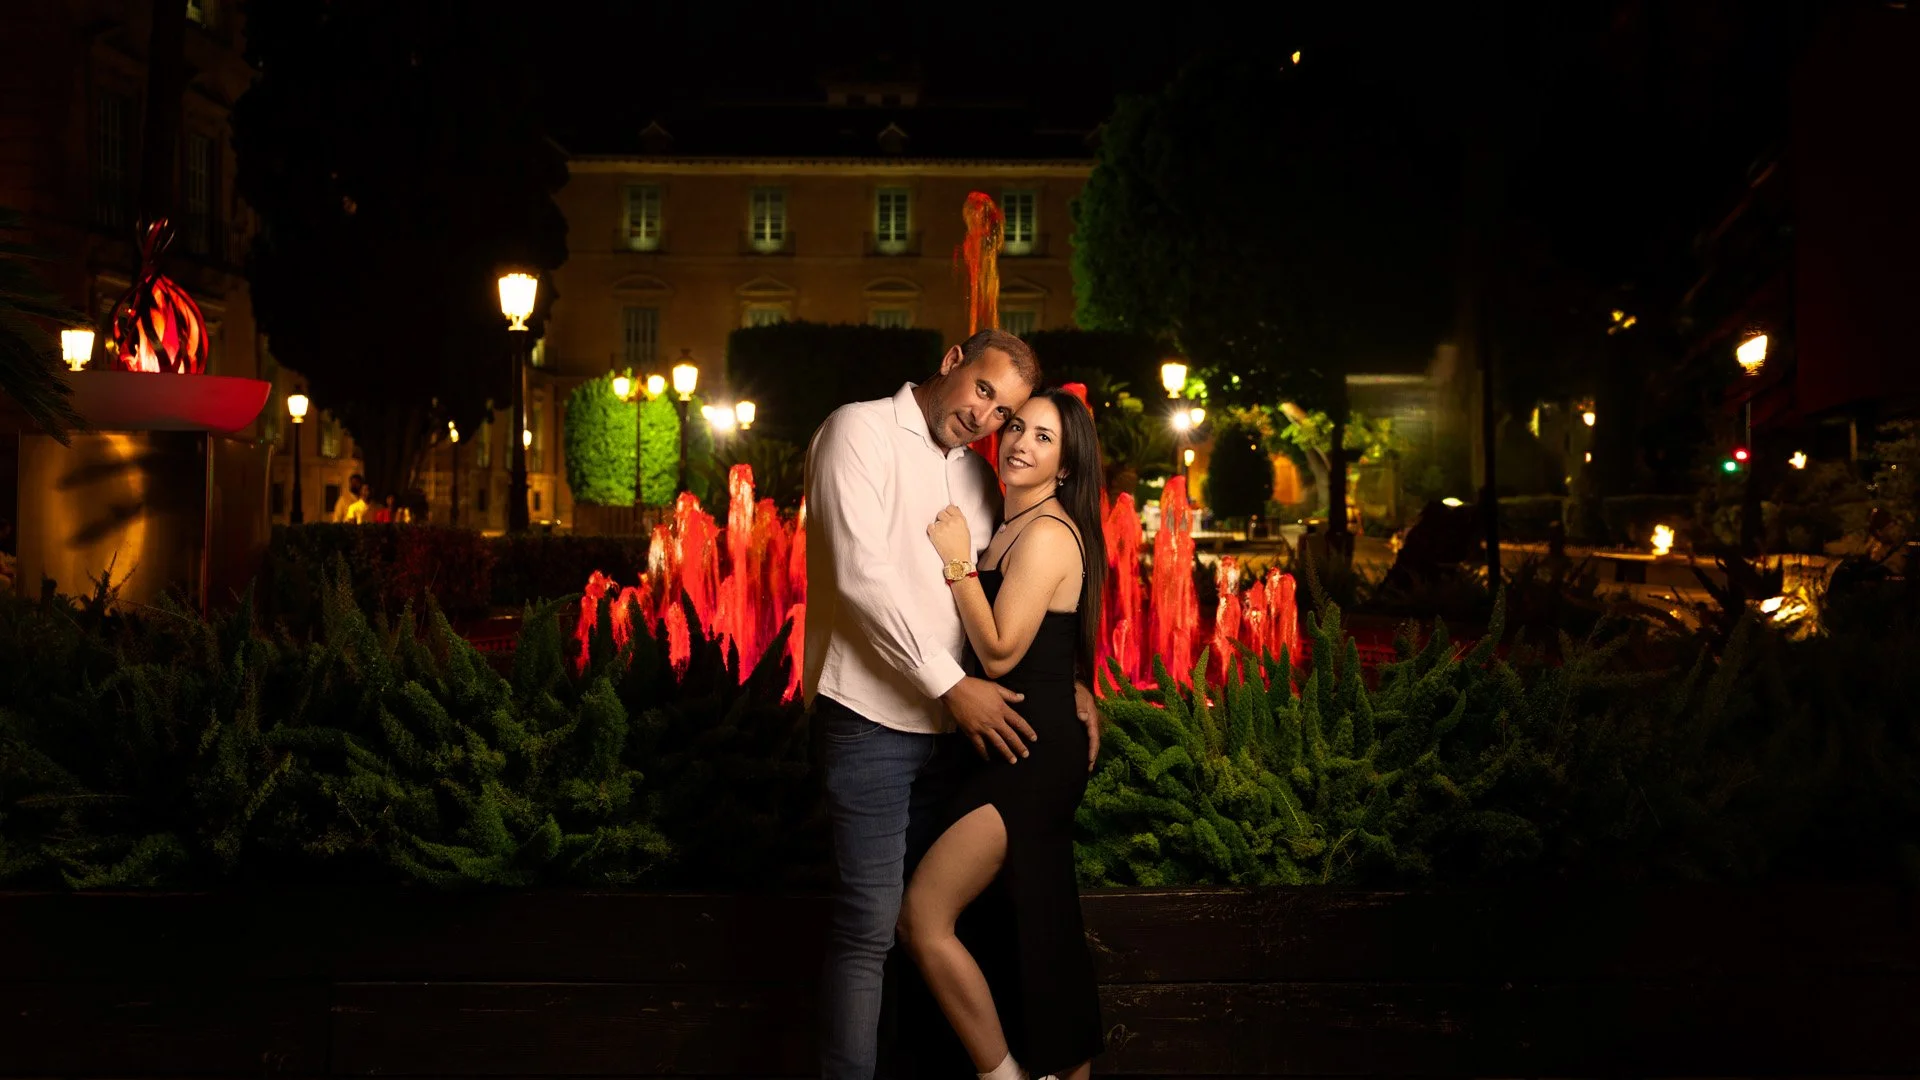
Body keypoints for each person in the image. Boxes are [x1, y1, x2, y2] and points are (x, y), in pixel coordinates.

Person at [805, 330, 1102, 1080]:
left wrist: (1068, 681)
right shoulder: (859, 431)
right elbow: (861, 579)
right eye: (983, 392)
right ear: (950, 363)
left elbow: (1016, 604)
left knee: (943, 925)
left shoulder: (977, 481)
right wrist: (951, 684)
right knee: (870, 928)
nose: (987, 418)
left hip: (956, 741)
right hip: (873, 720)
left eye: (1004, 412)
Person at [904, 388, 1106, 1080]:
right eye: (1018, 426)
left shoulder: (1047, 534)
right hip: (1010, 740)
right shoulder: (1011, 523)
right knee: (1036, 926)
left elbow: (997, 654)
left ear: (1069, 467)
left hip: (1030, 753)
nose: (1020, 442)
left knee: (924, 918)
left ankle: (1004, 1075)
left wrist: (957, 560)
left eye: (1045, 438)